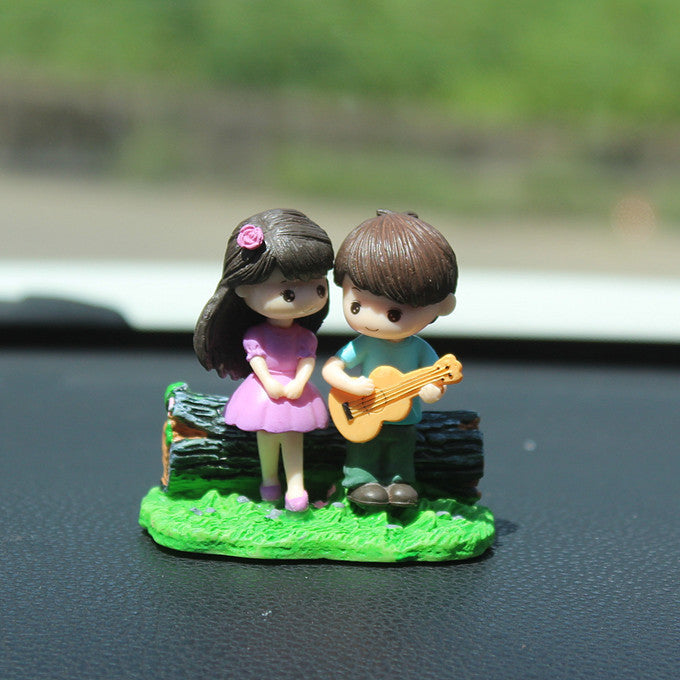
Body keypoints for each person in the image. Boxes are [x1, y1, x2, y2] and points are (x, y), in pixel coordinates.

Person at [194, 209, 334, 511]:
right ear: (244, 288)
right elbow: (257, 359)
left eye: (319, 287)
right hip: (263, 390)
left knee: (294, 439)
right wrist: (269, 382)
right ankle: (269, 481)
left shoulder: (304, 336)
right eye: (288, 292)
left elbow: (307, 360)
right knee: (267, 439)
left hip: (295, 392)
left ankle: (296, 487)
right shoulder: (256, 334)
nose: (309, 298)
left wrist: (299, 382)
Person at [322, 210, 458, 508]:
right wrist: (350, 385)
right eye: (356, 305)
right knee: (363, 448)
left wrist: (432, 390)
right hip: (364, 409)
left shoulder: (419, 349)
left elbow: (436, 379)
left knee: (401, 451)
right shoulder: (364, 343)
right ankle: (360, 480)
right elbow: (332, 367)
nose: (371, 319)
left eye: (394, 313)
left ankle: (400, 482)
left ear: (442, 305)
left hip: (404, 418)